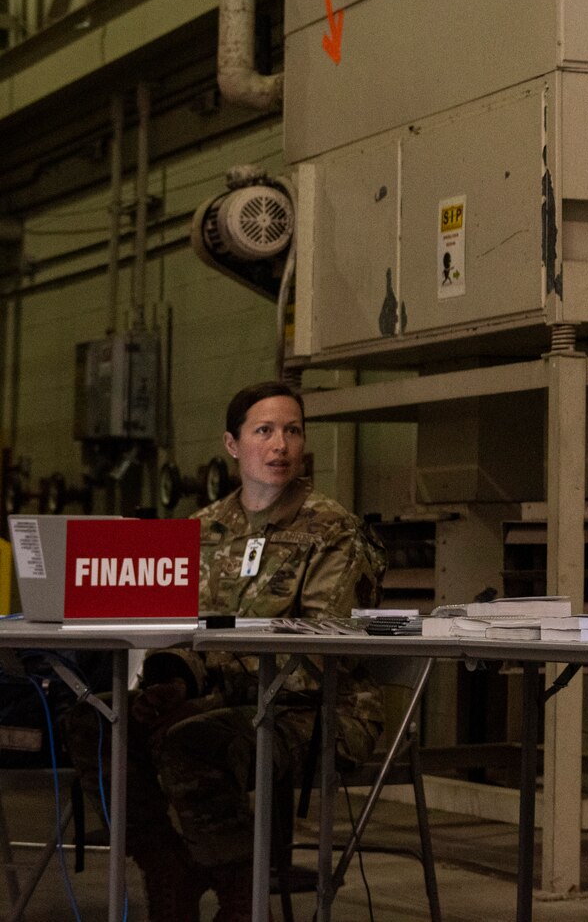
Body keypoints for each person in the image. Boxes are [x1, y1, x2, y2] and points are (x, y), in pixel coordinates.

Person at [65, 381, 386, 922]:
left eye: (292, 430)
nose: (280, 445)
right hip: (215, 702)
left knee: (195, 740)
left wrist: (197, 699)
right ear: (233, 445)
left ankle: (242, 897)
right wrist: (172, 682)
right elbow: (179, 632)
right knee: (94, 718)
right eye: (264, 431)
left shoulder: (333, 531)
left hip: (320, 710)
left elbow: (316, 657)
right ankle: (166, 865)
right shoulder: (201, 529)